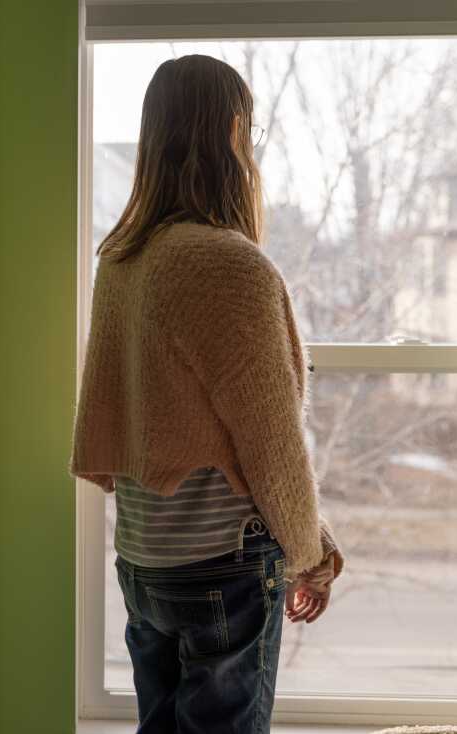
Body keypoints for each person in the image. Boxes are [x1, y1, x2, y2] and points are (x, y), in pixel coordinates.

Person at [68, 54, 345, 734]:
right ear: (231, 133)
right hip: (223, 563)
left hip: (143, 561)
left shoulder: (123, 259)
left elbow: (127, 415)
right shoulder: (228, 264)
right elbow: (270, 444)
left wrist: (312, 534)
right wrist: (311, 556)